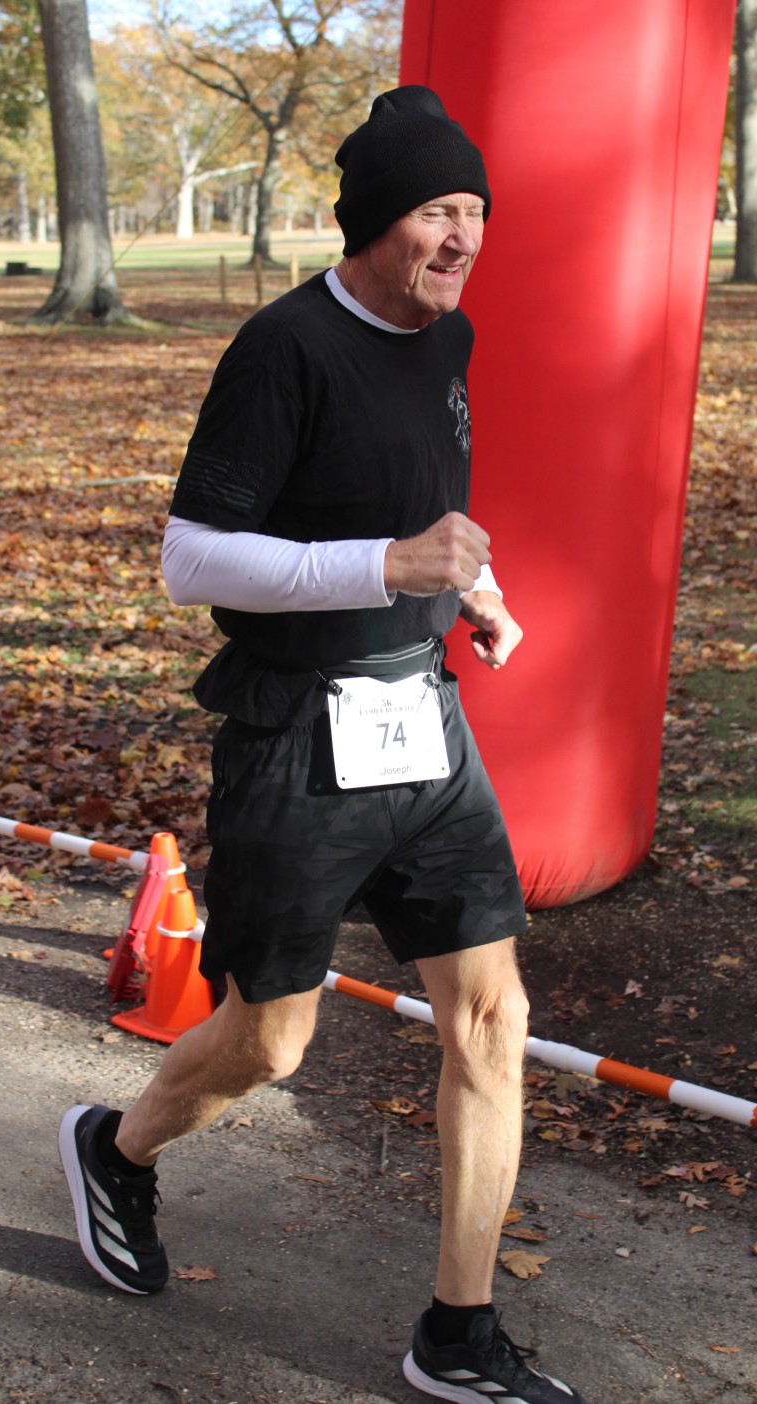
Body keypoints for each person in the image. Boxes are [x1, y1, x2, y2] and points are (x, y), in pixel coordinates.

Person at [58, 86, 585, 1404]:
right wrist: (387, 564)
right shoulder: (282, 348)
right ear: (371, 223)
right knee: (268, 1044)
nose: (463, 237)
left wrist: (473, 587)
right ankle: (118, 1149)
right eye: (436, 211)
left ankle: (458, 1332)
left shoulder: (446, 337)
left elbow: (419, 499)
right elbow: (192, 558)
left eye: (475, 211)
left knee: (493, 1018)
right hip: (296, 732)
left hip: (423, 718)